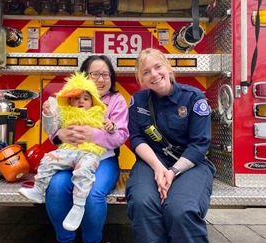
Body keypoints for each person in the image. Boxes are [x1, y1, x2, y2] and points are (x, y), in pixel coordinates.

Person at [125, 48, 216, 243]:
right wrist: (159, 168)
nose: (154, 75)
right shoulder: (138, 100)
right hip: (152, 162)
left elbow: (200, 144)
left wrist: (172, 171)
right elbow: (136, 138)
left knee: (180, 209)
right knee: (142, 203)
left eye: (158, 67)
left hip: (191, 163)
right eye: (146, 72)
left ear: (168, 67)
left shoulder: (193, 97)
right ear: (141, 78)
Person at [45, 55, 129, 243]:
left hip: (103, 161)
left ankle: (92, 240)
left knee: (92, 194)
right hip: (69, 158)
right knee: (57, 188)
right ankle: (65, 239)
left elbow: (121, 135)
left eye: (106, 75)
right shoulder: (69, 98)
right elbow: (54, 128)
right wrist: (59, 136)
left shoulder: (116, 100)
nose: (101, 79)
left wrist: (93, 135)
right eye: (95, 74)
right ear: (84, 76)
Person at [19, 72, 116, 231]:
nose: (81, 102)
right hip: (68, 151)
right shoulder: (63, 114)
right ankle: (38, 189)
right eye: (76, 98)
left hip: (89, 153)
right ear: (69, 100)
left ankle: (78, 206)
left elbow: (112, 130)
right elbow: (50, 129)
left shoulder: (98, 113)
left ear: (93, 101)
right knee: (48, 159)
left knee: (83, 172)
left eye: (86, 98)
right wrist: (48, 114)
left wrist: (111, 126)